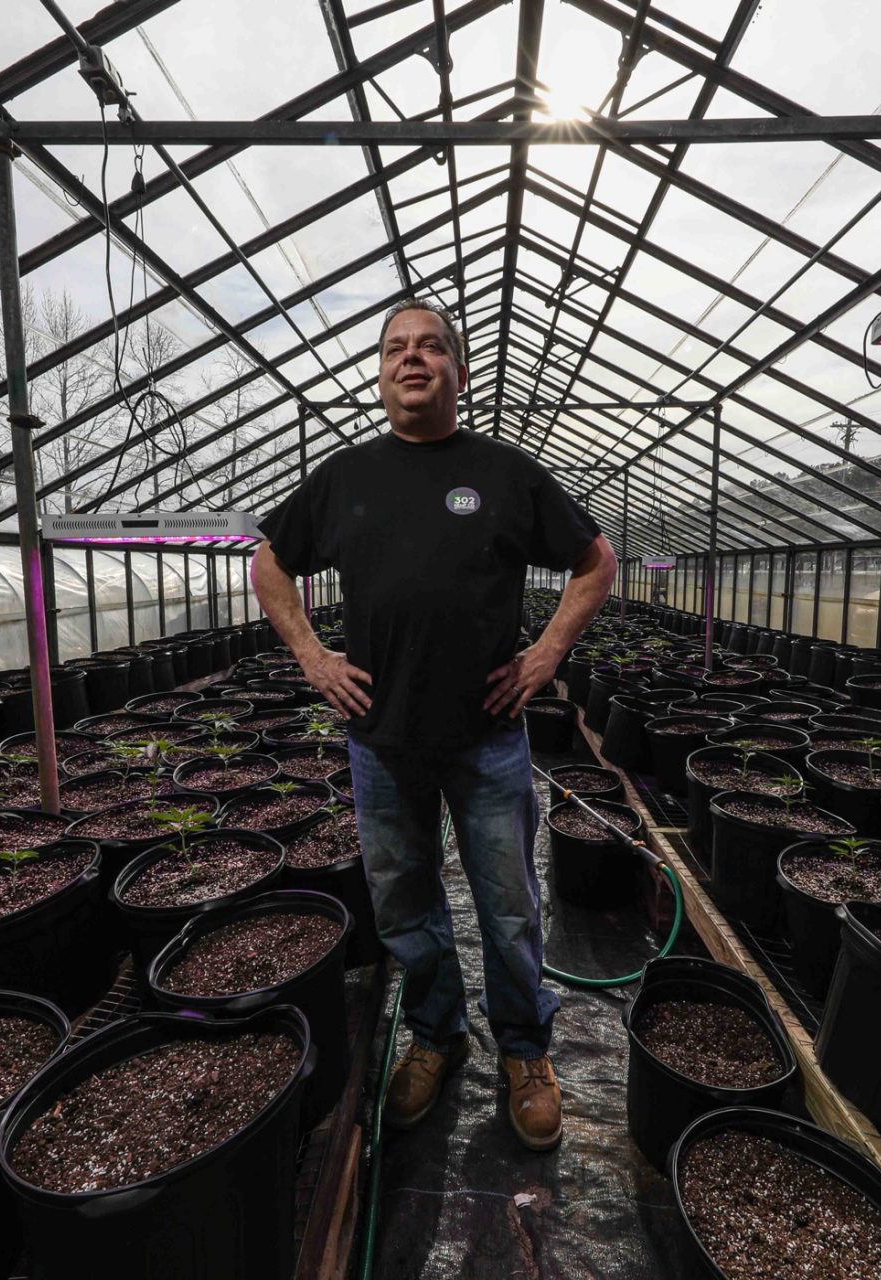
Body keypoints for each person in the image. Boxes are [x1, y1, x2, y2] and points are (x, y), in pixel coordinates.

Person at [251, 298, 617, 1152]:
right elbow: (270, 562)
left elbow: (595, 561)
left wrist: (546, 654)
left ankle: (526, 1052)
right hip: (382, 744)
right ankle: (438, 1035)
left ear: (459, 368)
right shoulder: (346, 477)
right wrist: (311, 656)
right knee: (406, 907)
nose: (409, 360)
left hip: (488, 739)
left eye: (428, 348)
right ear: (380, 373)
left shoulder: (504, 472)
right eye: (394, 350)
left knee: (511, 908)